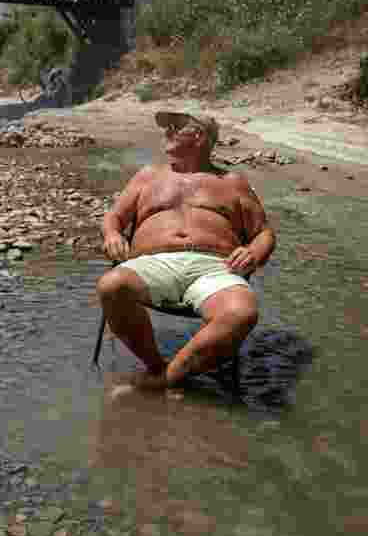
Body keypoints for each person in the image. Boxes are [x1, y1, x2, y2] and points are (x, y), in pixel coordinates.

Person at [97, 111, 276, 391]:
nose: (166, 132)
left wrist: (254, 253)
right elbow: (114, 217)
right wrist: (112, 235)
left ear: (199, 136)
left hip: (215, 267)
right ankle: (157, 367)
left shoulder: (232, 182)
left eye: (174, 127)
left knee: (242, 313)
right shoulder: (148, 175)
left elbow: (263, 232)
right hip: (152, 262)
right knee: (112, 286)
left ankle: (164, 380)